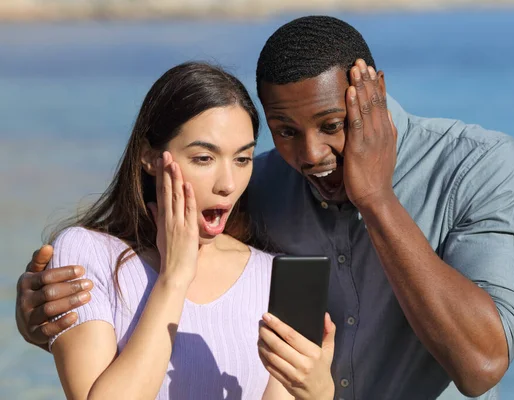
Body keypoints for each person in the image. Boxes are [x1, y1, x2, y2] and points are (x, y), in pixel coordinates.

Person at [15, 16, 514, 400]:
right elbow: (176, 275)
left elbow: (481, 365)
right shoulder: (254, 184)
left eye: (333, 125)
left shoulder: (476, 165)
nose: (308, 155)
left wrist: (375, 197)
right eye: (285, 131)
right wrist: (57, 316)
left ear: (372, 92)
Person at [21, 61, 337, 400]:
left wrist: (317, 393)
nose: (228, 185)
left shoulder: (271, 277)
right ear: (150, 157)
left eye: (242, 159)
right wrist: (174, 277)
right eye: (204, 158)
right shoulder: (87, 255)